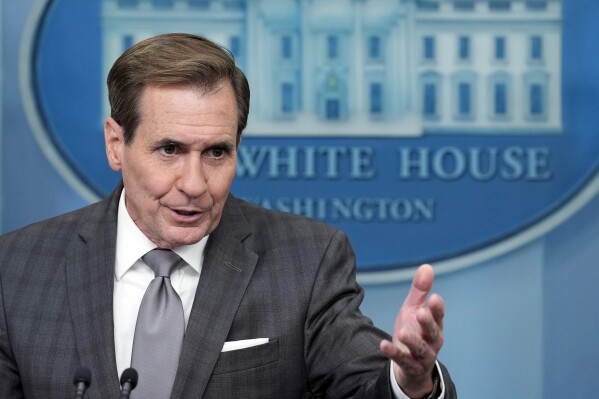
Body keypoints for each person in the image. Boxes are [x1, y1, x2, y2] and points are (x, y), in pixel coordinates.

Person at [0, 33, 456, 399]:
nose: (195, 184)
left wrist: (410, 384)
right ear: (116, 145)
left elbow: (367, 385)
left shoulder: (306, 261)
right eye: (170, 150)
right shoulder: (16, 268)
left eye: (217, 152)